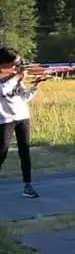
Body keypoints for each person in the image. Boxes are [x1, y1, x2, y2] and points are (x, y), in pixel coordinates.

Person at [0, 46, 43, 199]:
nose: (15, 67)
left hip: (22, 117)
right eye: (13, 64)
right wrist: (16, 77)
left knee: (25, 151)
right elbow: (3, 91)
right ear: (3, 63)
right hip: (5, 119)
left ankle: (27, 185)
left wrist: (36, 86)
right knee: (2, 152)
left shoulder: (13, 76)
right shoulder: (10, 77)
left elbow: (23, 97)